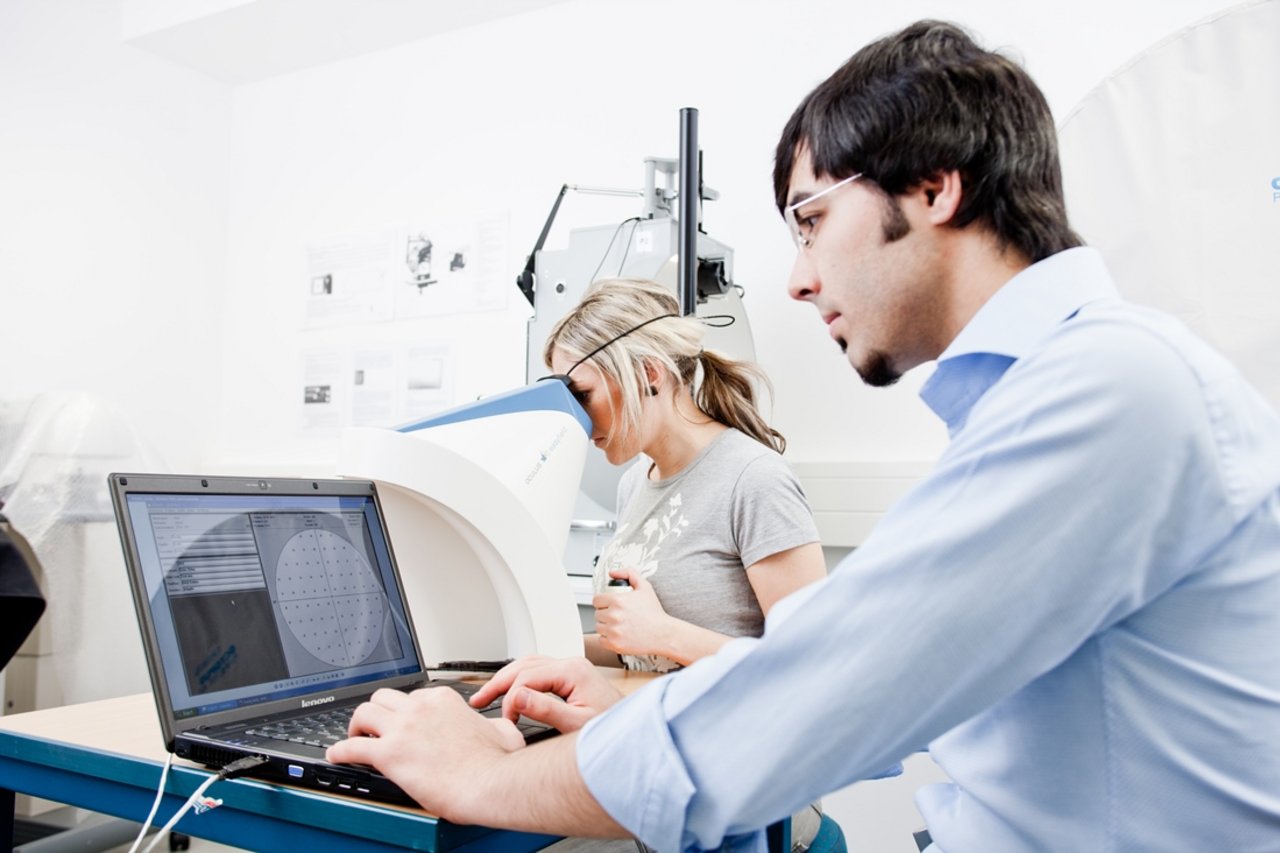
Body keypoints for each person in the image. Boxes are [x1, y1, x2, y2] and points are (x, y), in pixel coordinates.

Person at [329, 19, 1280, 851]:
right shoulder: (1055, 396)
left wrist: (481, 777)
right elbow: (858, 674)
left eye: (812, 220)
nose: (795, 278)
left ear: (935, 186)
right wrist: (620, 700)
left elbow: (808, 697)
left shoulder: (1110, 392)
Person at [542, 277, 826, 675]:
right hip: (648, 716)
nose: (579, 421)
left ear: (649, 373)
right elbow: (640, 653)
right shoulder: (634, 484)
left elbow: (811, 664)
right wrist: (530, 649)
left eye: (583, 395)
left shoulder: (753, 479)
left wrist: (663, 633)